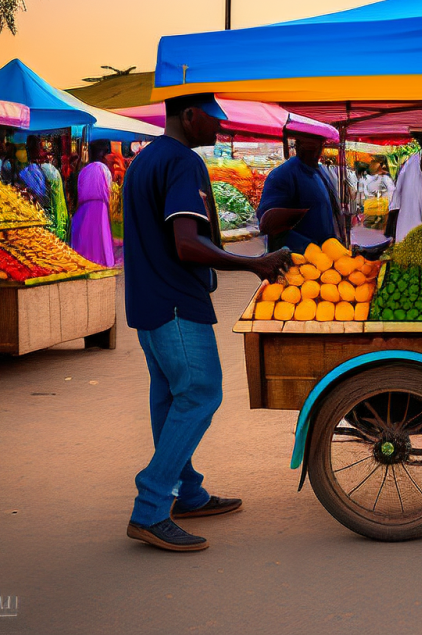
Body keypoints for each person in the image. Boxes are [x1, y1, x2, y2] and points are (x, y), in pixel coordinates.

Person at [123, 93, 291, 552]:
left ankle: (188, 494)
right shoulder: (182, 162)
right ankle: (151, 506)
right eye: (213, 122)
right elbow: (186, 244)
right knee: (200, 392)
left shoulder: (143, 161)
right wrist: (252, 263)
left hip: (147, 304)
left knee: (170, 398)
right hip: (177, 302)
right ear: (189, 116)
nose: (219, 131)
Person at [256, 133, 344, 253]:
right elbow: (272, 227)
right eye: (309, 143)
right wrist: (308, 248)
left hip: (329, 256)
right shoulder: (282, 175)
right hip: (298, 262)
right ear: (297, 144)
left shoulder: (323, 172)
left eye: (319, 143)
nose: (314, 149)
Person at [70, 140, 115, 267]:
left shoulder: (84, 170)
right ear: (102, 154)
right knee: (100, 237)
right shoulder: (103, 169)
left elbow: (79, 191)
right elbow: (108, 190)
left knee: (87, 238)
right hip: (100, 208)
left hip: (84, 208)